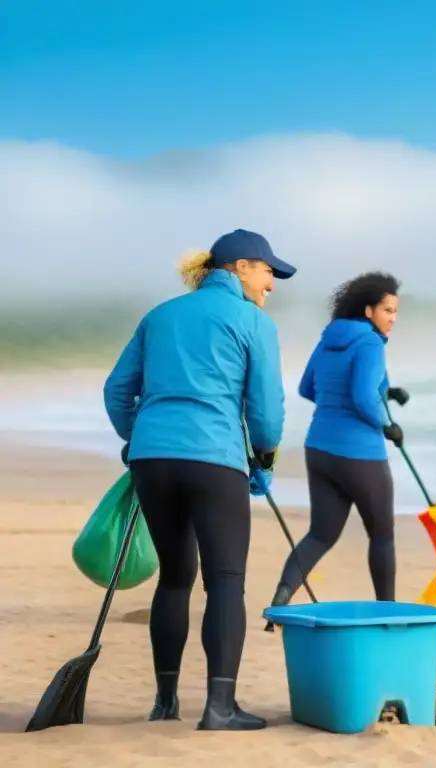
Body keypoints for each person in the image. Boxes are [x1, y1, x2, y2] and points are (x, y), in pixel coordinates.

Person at [102, 228, 295, 730]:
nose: (272, 283)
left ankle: (165, 703)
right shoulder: (252, 322)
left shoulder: (160, 315)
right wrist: (265, 459)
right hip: (214, 459)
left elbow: (117, 389)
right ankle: (221, 707)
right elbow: (268, 412)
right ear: (241, 267)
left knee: (174, 577)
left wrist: (137, 438)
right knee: (226, 580)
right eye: (269, 271)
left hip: (153, 460)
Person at [269, 272, 408, 611]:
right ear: (368, 311)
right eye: (388, 311)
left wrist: (386, 392)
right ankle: (386, 611)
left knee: (321, 534)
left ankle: (283, 595)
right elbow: (362, 397)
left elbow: (307, 388)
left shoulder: (329, 339)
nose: (393, 318)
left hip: (319, 449)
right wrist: (386, 425)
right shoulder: (371, 342)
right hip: (360, 455)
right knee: (382, 535)